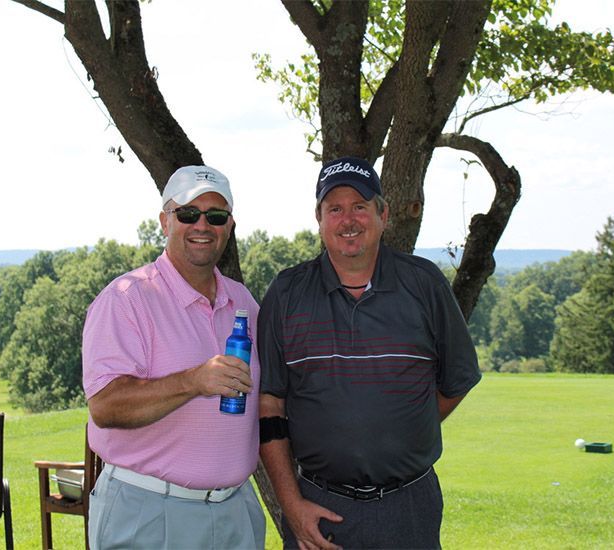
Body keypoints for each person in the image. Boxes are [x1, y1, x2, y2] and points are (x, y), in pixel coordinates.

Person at [258, 156, 482, 549]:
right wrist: (290, 504)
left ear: (383, 213)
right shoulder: (287, 293)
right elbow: (270, 405)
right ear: (320, 217)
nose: (348, 220)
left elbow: (457, 380)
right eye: (335, 209)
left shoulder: (424, 284)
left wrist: (407, 428)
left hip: (408, 505)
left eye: (360, 207)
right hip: (317, 503)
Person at [82, 165, 265, 549]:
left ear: (229, 227)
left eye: (215, 216)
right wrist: (194, 381)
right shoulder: (127, 299)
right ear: (165, 221)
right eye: (187, 213)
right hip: (149, 512)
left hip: (235, 510)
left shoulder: (243, 301)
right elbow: (106, 406)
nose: (202, 225)